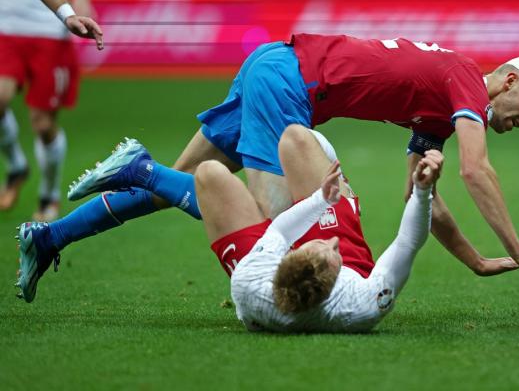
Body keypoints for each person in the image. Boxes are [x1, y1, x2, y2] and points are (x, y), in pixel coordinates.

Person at [16, 34, 519, 299]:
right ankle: (138, 166)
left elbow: (422, 201)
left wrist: (477, 261)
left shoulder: (439, 111)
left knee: (175, 187)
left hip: (278, 68)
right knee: (269, 226)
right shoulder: (464, 81)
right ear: (506, 81)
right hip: (289, 84)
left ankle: (50, 236)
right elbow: (476, 171)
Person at [19, 125, 439, 335]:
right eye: (331, 250)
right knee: (293, 136)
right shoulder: (366, 300)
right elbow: (408, 240)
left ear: (286, 258)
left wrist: (311, 206)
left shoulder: (252, 282)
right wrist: (423, 190)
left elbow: (277, 230)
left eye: (322, 247)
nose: (327, 240)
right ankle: (53, 235)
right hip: (279, 105)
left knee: (209, 176)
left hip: (264, 271)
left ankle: (140, 171)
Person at [0, 0, 104, 221]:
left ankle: (49, 194)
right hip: (5, 25)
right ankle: (16, 166)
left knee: (43, 124)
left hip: (47, 27)